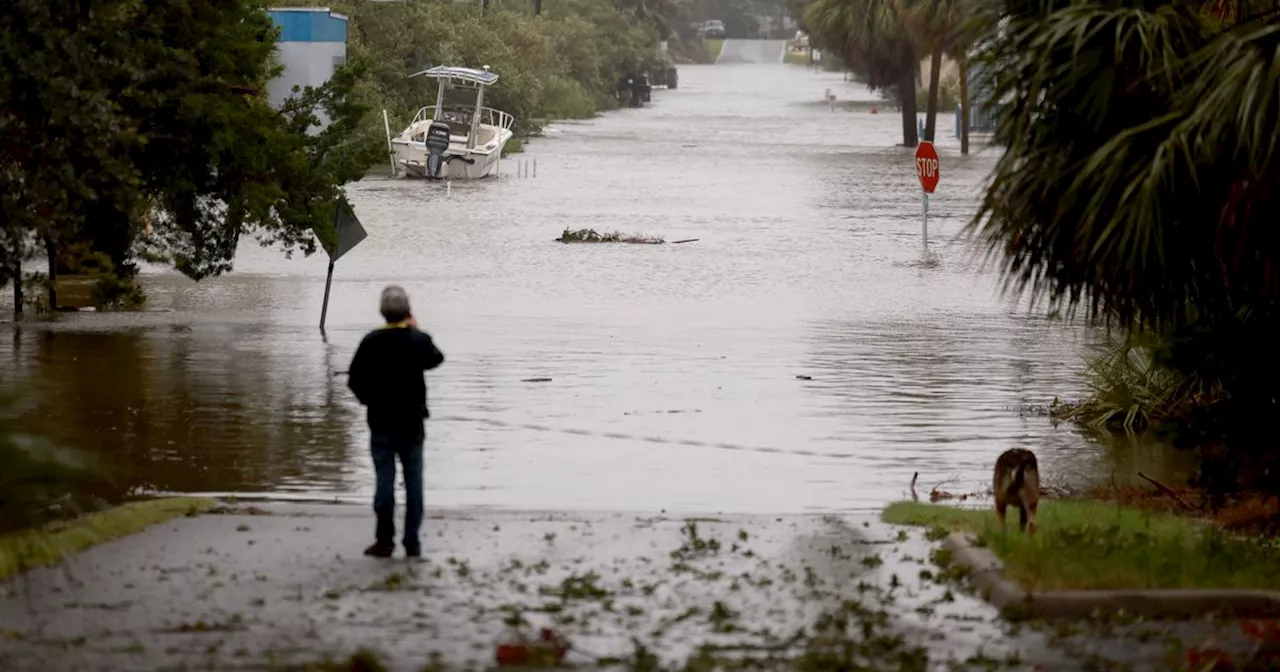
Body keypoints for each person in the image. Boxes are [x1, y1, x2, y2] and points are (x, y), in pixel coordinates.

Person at [346, 285, 445, 558]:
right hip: (412, 422)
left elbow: (354, 380)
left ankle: (384, 540)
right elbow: (436, 358)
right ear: (407, 311)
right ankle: (412, 542)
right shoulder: (417, 340)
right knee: (414, 483)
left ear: (382, 311)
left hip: (380, 420)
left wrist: (369, 401)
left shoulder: (371, 341)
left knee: (384, 483)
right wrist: (418, 329)